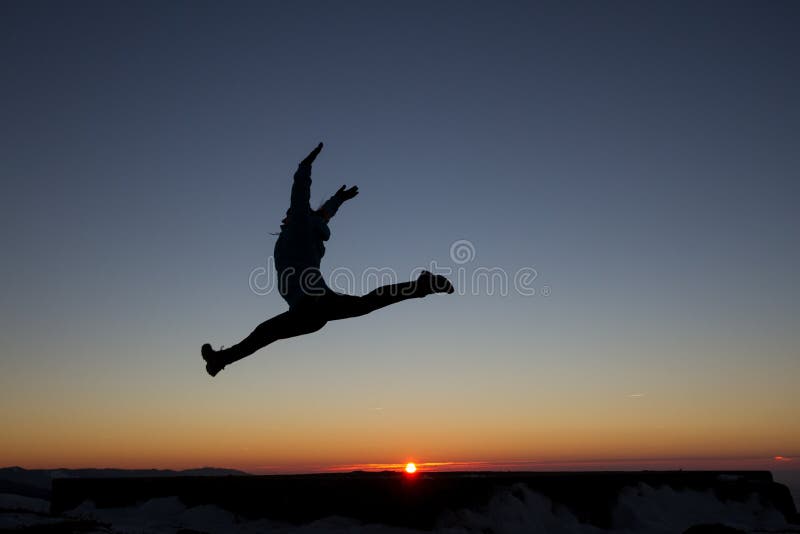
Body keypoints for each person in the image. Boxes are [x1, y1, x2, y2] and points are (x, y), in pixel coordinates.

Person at [201, 143, 454, 377]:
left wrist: (304, 167)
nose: (284, 218)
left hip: (312, 305)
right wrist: (337, 201)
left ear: (297, 217)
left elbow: (300, 197)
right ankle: (423, 286)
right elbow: (322, 216)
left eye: (289, 215)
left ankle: (219, 360)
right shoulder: (308, 232)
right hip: (310, 309)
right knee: (365, 303)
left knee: (265, 333)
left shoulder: (299, 225)